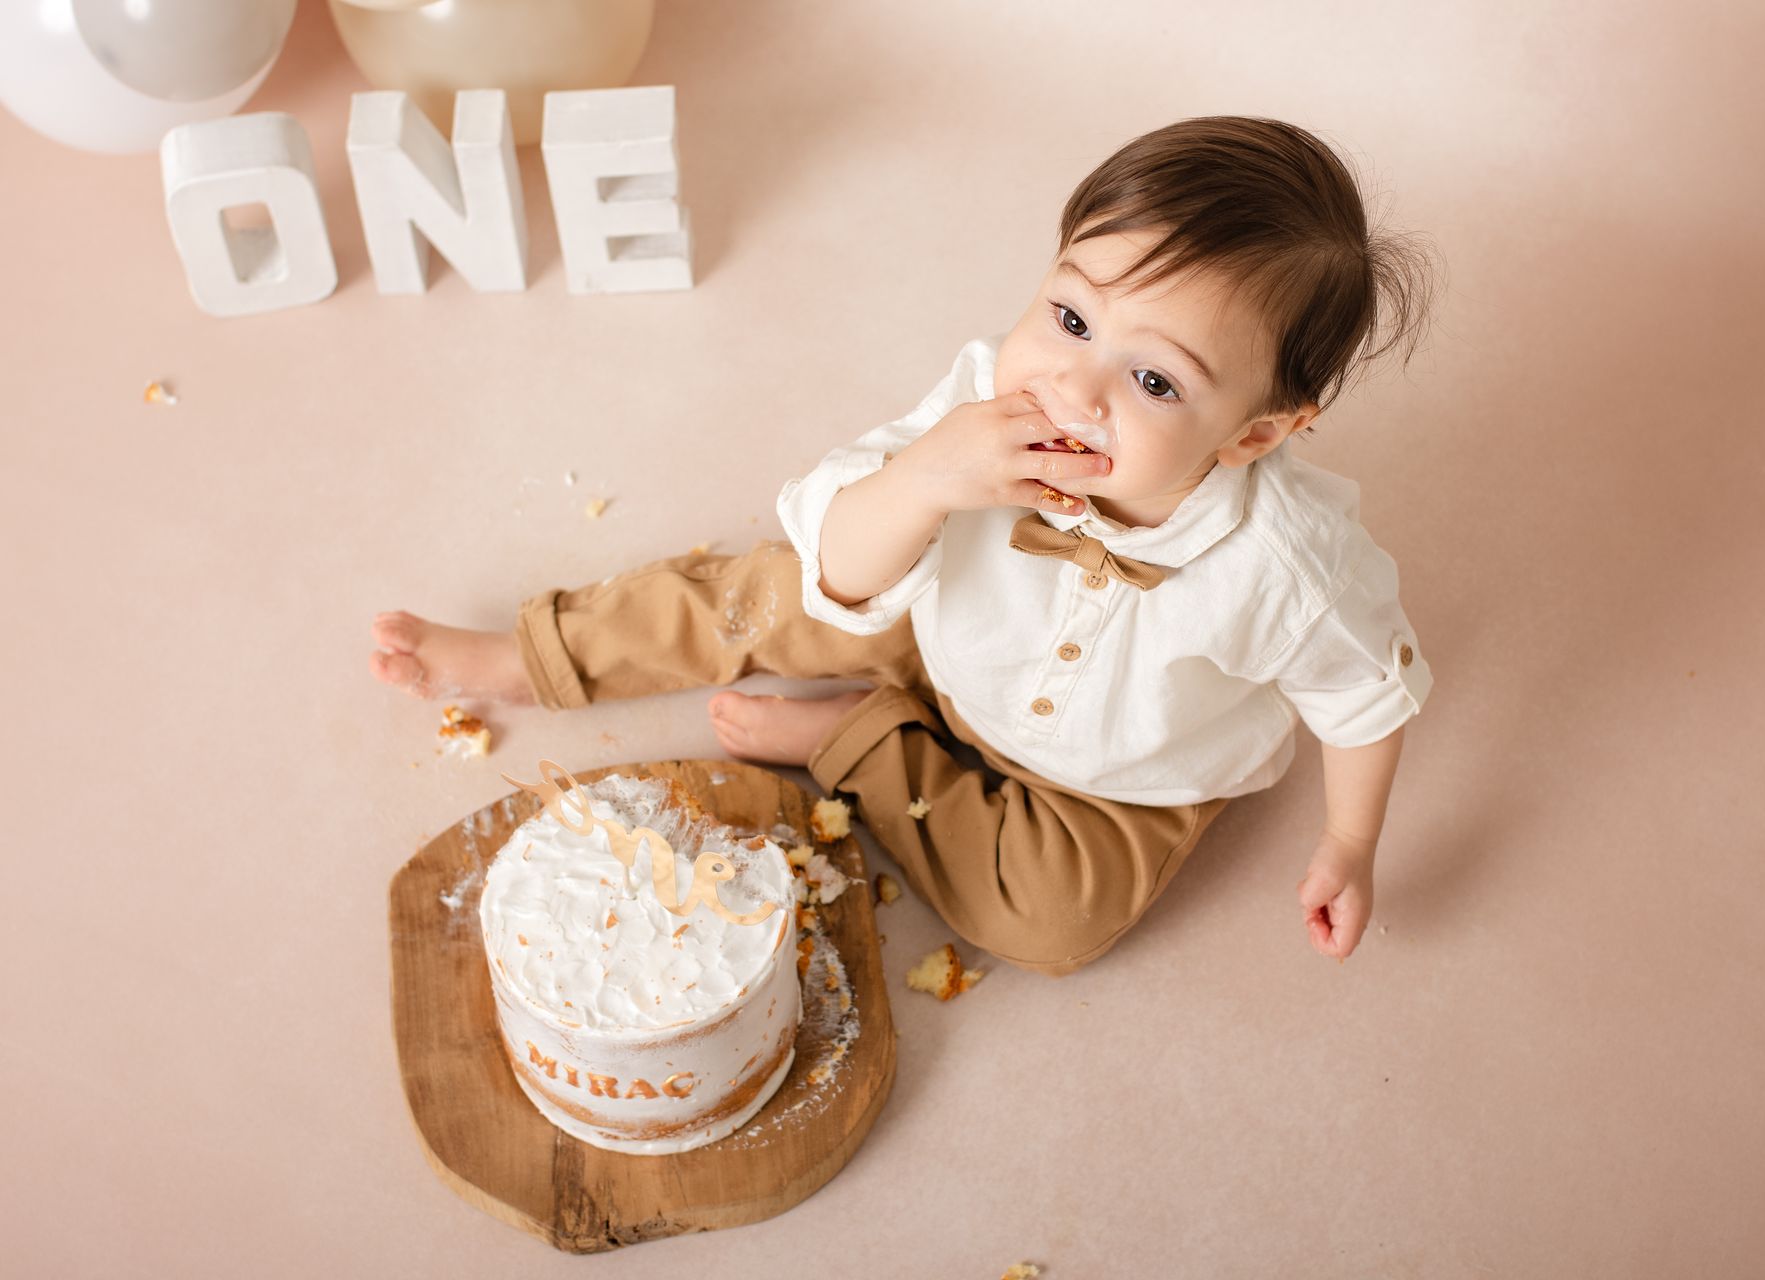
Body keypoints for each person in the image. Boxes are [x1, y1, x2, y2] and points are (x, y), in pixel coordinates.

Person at [369, 116, 1438, 974]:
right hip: (937, 628)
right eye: (1071, 319)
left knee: (1050, 921)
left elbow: (1363, 699)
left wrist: (1349, 843)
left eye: (1154, 380)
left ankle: (862, 743)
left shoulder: (1292, 566)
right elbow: (840, 564)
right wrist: (927, 478)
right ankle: (539, 654)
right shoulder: (982, 403)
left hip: (1119, 778)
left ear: (1255, 433)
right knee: (762, 590)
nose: (1073, 387)